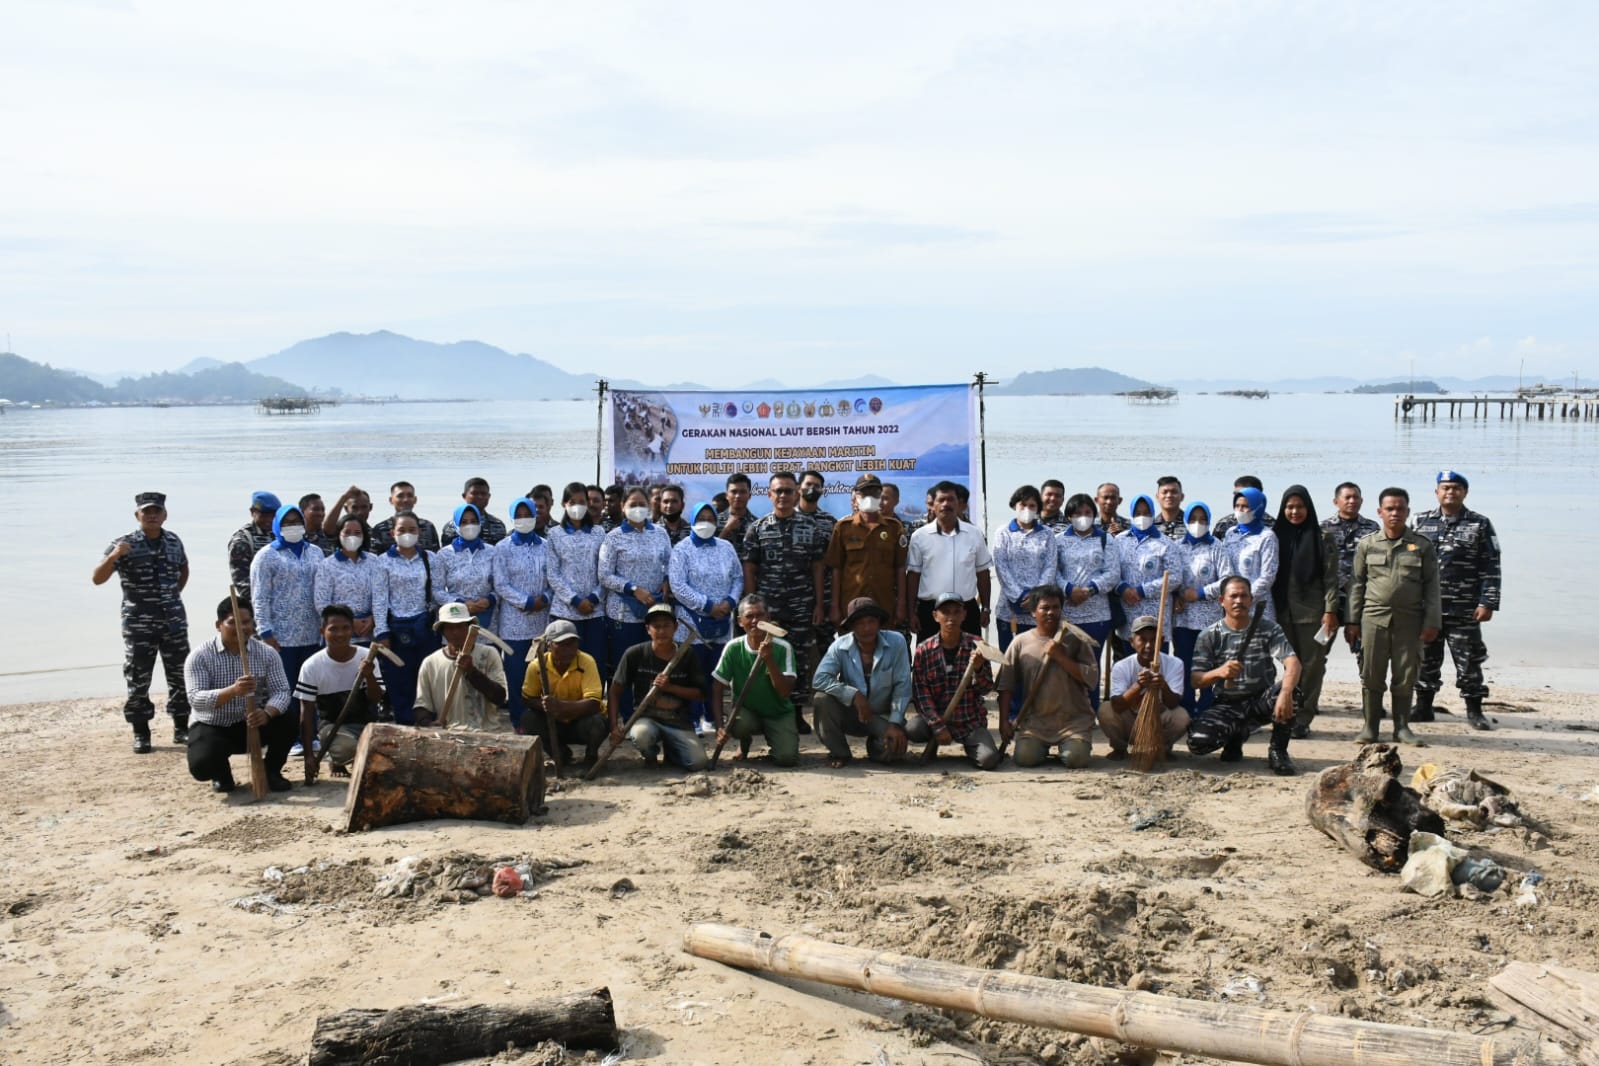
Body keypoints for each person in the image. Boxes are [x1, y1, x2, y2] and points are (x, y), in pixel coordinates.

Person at [93, 491, 191, 752]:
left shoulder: (173, 541)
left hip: (173, 621)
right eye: (146, 511)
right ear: (137, 515)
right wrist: (113, 556)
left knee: (180, 675)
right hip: (138, 625)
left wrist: (171, 597)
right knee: (138, 678)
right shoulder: (123, 544)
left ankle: (181, 728)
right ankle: (141, 733)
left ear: (164, 515)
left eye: (156, 511)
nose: (152, 515)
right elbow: (97, 578)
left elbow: (183, 570)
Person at [1348, 487, 1442, 744]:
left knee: (1405, 675)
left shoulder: (1421, 546)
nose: (1395, 513)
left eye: (1400, 508)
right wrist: (1353, 621)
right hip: (1373, 619)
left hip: (1409, 622)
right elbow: (1357, 584)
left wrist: (1433, 622)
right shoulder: (1367, 545)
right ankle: (1370, 728)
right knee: (1371, 675)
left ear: (1407, 511)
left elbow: (1432, 587)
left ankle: (1402, 728)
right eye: (1389, 509)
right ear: (1379, 512)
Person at [1412, 471, 1501, 730]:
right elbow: (1406, 564)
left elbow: (1491, 565)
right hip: (1427, 609)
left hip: (1464, 608)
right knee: (1426, 659)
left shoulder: (1479, 524)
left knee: (1469, 661)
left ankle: (1474, 711)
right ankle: (1423, 707)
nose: (1450, 492)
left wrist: (1488, 602)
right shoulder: (1420, 521)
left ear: (1465, 492)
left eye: (1456, 488)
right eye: (1445, 488)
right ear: (1436, 492)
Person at [1187, 576, 1301, 775]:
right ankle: (1235, 737)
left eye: (1243, 596)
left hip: (1260, 701)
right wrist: (1219, 672)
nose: (1239, 601)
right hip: (1227, 703)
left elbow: (1293, 663)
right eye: (1233, 596)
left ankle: (1278, 751)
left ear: (1251, 600)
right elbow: (1196, 680)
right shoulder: (1209, 635)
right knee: (1198, 744)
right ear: (1221, 601)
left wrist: (1285, 692)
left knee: (1293, 692)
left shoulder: (1268, 628)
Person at [183, 598, 295, 793]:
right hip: (215, 724)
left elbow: (282, 691)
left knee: (290, 717)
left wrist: (267, 713)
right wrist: (232, 691)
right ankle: (221, 774)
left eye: (246, 622)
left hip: (254, 722)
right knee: (202, 765)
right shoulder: (200, 656)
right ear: (219, 626)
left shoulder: (267, 653)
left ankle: (271, 772)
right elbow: (196, 699)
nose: (242, 628)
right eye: (233, 622)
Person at [743, 471, 827, 728]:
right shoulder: (757, 529)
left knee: (800, 658)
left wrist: (819, 605)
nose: (783, 495)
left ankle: (796, 712)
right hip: (769, 608)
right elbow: (750, 568)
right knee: (769, 655)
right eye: (778, 491)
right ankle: (770, 710)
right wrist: (753, 607)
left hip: (802, 604)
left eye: (788, 491)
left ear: (797, 493)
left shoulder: (811, 527)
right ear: (769, 495)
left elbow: (818, 568)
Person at [996, 584, 1100, 768]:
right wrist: (1004, 721)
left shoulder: (1075, 639)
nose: (1051, 612)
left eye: (1055, 607)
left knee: (1076, 759)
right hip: (1036, 723)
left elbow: (1091, 678)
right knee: (1025, 759)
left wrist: (1060, 657)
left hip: (1073, 722)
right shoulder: (1020, 642)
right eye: (1045, 608)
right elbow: (1006, 685)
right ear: (1033, 612)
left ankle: (1071, 746)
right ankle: (1039, 747)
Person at [813, 597, 914, 768]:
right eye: (860, 623)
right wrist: (853, 695)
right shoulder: (839, 646)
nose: (867, 628)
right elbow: (819, 679)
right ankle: (839, 752)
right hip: (851, 714)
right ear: (851, 626)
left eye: (871, 621)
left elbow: (902, 686)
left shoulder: (897, 641)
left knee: (894, 750)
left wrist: (895, 723)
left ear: (879, 623)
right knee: (821, 699)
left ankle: (875, 747)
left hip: (882, 716)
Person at [1272, 486, 1340, 738]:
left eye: (1299, 507)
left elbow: (1331, 579)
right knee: (1290, 666)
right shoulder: (1275, 536)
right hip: (1282, 613)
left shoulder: (1322, 538)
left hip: (1312, 614)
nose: (1294, 512)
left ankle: (1303, 717)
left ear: (1308, 508)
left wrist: (1331, 611)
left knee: (1312, 666)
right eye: (1289, 507)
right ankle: (1286, 711)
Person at [669, 501, 743, 731]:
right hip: (691, 624)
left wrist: (729, 602)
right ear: (691, 520)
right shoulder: (681, 550)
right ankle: (693, 718)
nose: (706, 523)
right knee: (693, 672)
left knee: (716, 673)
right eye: (701, 518)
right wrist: (708, 605)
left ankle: (712, 717)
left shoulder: (725, 547)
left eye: (711, 519)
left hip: (722, 622)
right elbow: (678, 586)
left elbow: (738, 578)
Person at [609, 603, 709, 769]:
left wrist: (670, 688)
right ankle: (650, 756)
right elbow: (614, 692)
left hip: (679, 721)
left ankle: (672, 750)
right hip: (647, 718)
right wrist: (614, 727)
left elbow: (701, 694)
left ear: (675, 627)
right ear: (648, 629)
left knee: (697, 762)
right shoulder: (635, 654)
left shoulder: (688, 655)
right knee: (641, 735)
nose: (661, 631)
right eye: (656, 626)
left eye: (666, 626)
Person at [906, 595, 1001, 769]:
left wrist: (979, 670)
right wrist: (937, 726)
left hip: (969, 721)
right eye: (945, 612)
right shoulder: (923, 650)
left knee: (988, 760)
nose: (951, 618)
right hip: (937, 718)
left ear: (964, 615)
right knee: (912, 728)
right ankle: (934, 742)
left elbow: (986, 689)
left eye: (956, 612)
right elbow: (921, 695)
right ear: (936, 616)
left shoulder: (978, 646)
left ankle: (970, 747)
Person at [294, 605, 385, 778]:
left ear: (353, 630)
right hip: (332, 727)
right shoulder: (312, 666)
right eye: (333, 629)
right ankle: (336, 758)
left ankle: (358, 757)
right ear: (323, 632)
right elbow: (306, 713)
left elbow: (376, 698)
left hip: (366, 724)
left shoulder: (367, 657)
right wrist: (309, 757)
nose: (340, 634)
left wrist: (369, 675)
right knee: (348, 748)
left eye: (345, 628)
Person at [372, 511, 443, 724]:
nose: (407, 534)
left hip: (425, 626)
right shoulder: (382, 562)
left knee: (428, 678)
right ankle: (405, 725)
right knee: (399, 681)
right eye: (402, 530)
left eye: (412, 530)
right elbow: (379, 599)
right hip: (396, 629)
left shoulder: (430, 558)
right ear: (393, 532)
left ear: (420, 532)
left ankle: (430, 723)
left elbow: (438, 592)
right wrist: (381, 631)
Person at [712, 594, 800, 766]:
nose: (754, 621)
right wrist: (719, 726)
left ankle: (776, 736)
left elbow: (785, 691)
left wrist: (769, 660)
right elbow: (717, 687)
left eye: (759, 615)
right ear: (739, 621)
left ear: (768, 618)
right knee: (737, 725)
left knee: (787, 759)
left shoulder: (783, 648)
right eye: (749, 616)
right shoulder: (733, 648)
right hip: (746, 711)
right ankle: (744, 744)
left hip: (778, 712)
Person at [248, 502, 324, 698]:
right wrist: (265, 631)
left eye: (297, 522)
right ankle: (288, 728)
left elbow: (323, 589)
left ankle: (309, 728)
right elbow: (260, 597)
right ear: (277, 526)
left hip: (312, 633)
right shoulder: (266, 556)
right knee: (285, 690)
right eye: (287, 523)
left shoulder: (315, 552)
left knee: (310, 689)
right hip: (281, 637)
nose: (292, 526)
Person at [599, 486, 673, 676]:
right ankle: (623, 706)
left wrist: (666, 580)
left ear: (649, 506)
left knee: (652, 666)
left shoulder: (660, 533)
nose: (638, 508)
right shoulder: (613, 537)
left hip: (654, 609)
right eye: (633, 504)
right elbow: (604, 575)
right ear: (623, 506)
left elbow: (669, 562)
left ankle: (647, 705)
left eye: (642, 504)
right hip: (623, 612)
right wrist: (633, 589)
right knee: (625, 667)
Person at [491, 497, 551, 733]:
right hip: (513, 622)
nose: (524, 519)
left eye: (529, 514)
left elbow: (553, 577)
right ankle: (519, 721)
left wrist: (544, 599)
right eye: (520, 515)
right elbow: (501, 584)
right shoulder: (502, 548)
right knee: (516, 674)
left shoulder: (546, 546)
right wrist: (525, 601)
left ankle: (542, 719)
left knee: (542, 673)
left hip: (541, 620)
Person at [906, 480, 993, 641]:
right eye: (941, 500)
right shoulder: (920, 536)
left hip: (965, 609)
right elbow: (913, 576)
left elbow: (982, 573)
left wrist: (986, 608)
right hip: (930, 611)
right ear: (933, 505)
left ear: (959, 504)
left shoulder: (974, 534)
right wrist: (911, 613)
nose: (946, 504)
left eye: (951, 499)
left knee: (972, 660)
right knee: (929, 662)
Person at [1170, 502, 1233, 714]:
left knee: (1209, 665)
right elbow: (1171, 576)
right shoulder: (1177, 547)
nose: (1198, 524)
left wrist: (1200, 593)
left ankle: (1207, 709)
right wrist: (1177, 595)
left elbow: (1227, 580)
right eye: (1193, 519)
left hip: (1210, 619)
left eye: (1203, 519)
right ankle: (1187, 709)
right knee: (1184, 665)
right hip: (1183, 619)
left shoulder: (1217, 546)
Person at [520, 618, 611, 765]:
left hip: (581, 720)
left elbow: (594, 703)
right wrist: (545, 706)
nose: (569, 650)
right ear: (549, 645)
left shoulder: (586, 661)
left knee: (598, 722)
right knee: (528, 719)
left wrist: (560, 706)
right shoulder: (537, 666)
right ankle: (560, 753)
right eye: (562, 645)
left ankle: (591, 754)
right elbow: (527, 698)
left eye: (572, 644)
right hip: (554, 722)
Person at [1102, 614, 1190, 758]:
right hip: (1130, 722)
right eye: (1142, 639)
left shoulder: (1175, 663)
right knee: (1105, 710)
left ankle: (1162, 748)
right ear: (1132, 642)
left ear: (1161, 641)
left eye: (1154, 640)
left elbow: (1174, 704)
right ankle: (1120, 748)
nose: (1149, 646)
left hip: (1158, 721)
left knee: (1182, 717)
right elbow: (1117, 705)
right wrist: (1138, 685)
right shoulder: (1121, 666)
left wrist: (1163, 686)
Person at [824, 477, 907, 629]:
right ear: (855, 496)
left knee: (885, 647)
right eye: (864, 493)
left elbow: (900, 568)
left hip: (884, 603)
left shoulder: (894, 528)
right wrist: (834, 606)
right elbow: (836, 569)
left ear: (880, 495)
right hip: (851, 604)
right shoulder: (843, 528)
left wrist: (901, 605)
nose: (869, 497)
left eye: (874, 492)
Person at [414, 602, 508, 731]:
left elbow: (500, 698)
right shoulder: (430, 663)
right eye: (450, 628)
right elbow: (422, 706)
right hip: (450, 733)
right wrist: (428, 725)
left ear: (470, 628)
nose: (456, 632)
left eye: (460, 627)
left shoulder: (489, 654)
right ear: (443, 631)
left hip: (487, 731)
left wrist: (472, 672)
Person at [992, 484, 1059, 659]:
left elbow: (1050, 567)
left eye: (1032, 506)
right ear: (1015, 505)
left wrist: (1035, 597)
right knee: (1009, 660)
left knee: (1036, 659)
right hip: (1009, 607)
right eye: (1023, 505)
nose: (1027, 509)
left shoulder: (1047, 534)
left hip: (1038, 609)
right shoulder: (1003, 533)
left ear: (1038, 508)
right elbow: (1001, 567)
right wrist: (1019, 596)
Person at [547, 482, 608, 672]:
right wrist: (574, 600)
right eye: (572, 501)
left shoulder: (599, 532)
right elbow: (553, 573)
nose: (577, 506)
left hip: (594, 610)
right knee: (564, 664)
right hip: (565, 611)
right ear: (564, 504)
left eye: (582, 501)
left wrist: (593, 598)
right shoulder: (554, 534)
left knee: (594, 664)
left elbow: (605, 571)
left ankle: (593, 701)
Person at [1321, 481, 1380, 670]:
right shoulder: (1323, 528)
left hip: (1361, 601)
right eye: (1347, 497)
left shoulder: (1372, 528)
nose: (1352, 501)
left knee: (1366, 654)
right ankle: (1306, 696)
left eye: (1356, 497)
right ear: (1336, 501)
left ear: (1362, 501)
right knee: (1317, 650)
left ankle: (1368, 694)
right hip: (1330, 602)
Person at [1115, 494, 1178, 642]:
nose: (1142, 517)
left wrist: (1142, 590)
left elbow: (1175, 577)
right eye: (1138, 513)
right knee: (1130, 661)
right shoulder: (1119, 541)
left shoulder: (1165, 543)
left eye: (1146, 513)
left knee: (1157, 660)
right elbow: (1111, 571)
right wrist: (1122, 588)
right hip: (1128, 612)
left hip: (1156, 613)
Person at [313, 514, 380, 645]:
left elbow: (381, 595)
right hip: (339, 634)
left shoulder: (374, 561)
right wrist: (349, 622)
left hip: (369, 633)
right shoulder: (327, 565)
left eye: (357, 533)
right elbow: (322, 603)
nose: (352, 537)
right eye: (347, 532)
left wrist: (373, 619)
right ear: (339, 534)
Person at [1223, 486, 1280, 622]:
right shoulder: (1231, 533)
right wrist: (1232, 599)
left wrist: (1245, 599)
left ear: (1258, 507)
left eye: (1245, 506)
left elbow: (1268, 576)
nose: (1240, 510)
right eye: (1237, 506)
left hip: (1258, 607)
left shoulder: (1267, 536)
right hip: (1233, 607)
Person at [437, 503, 498, 630]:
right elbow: (437, 591)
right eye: (464, 522)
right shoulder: (444, 554)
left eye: (474, 521)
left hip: (487, 622)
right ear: (456, 524)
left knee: (487, 650)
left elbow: (501, 585)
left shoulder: (493, 552)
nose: (469, 525)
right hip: (455, 621)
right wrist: (461, 604)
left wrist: (490, 600)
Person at [228, 490, 279, 599]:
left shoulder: (280, 534)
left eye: (273, 515)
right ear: (252, 512)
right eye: (264, 515)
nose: (269, 520)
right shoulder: (242, 540)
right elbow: (243, 584)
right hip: (258, 604)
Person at [370, 481, 441, 554]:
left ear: (415, 499)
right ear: (391, 500)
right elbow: (375, 559)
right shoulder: (380, 528)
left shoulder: (428, 526)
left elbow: (436, 555)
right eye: (400, 496)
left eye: (409, 496)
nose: (405, 500)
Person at [441, 478, 508, 545]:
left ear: (489, 496)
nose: (480, 497)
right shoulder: (451, 526)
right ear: (464, 496)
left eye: (483, 493)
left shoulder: (498, 524)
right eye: (474, 493)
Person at [717, 473, 756, 560]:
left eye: (743, 492)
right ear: (727, 495)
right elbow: (707, 555)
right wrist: (726, 530)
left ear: (749, 496)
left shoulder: (757, 525)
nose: (738, 496)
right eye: (734, 492)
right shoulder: (713, 522)